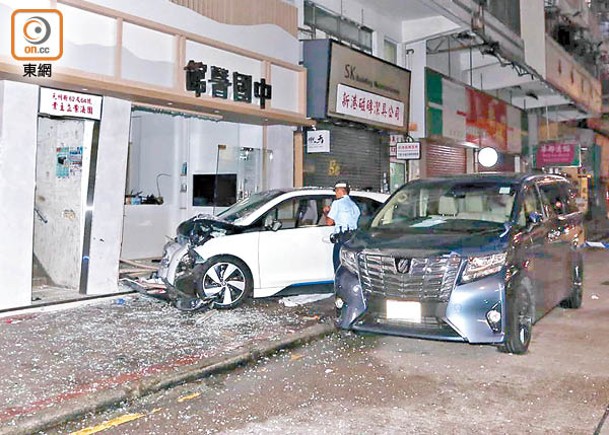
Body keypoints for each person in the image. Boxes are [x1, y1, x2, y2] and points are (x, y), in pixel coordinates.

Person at [323, 181, 361, 271]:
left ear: (341, 190)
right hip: (353, 238)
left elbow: (329, 222)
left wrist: (326, 212)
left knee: (338, 267)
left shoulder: (337, 203)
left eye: (336, 191)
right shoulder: (354, 205)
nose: (335, 193)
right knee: (350, 268)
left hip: (341, 239)